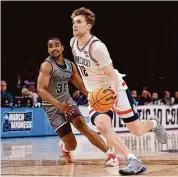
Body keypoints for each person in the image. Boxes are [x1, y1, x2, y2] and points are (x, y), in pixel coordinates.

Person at [70, 7, 168, 175]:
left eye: (79, 22)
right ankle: (132, 159)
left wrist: (113, 92)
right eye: (73, 22)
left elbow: (112, 74)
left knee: (136, 130)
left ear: (89, 26)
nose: (74, 25)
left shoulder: (97, 47)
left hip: (115, 89)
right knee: (101, 124)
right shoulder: (73, 43)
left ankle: (153, 123)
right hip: (96, 94)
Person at [37, 37, 119, 166]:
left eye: (57, 45)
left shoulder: (70, 65)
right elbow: (41, 90)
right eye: (51, 46)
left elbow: (81, 86)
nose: (54, 48)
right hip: (52, 107)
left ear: (62, 48)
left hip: (67, 102)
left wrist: (93, 96)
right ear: (48, 50)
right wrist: (59, 105)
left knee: (83, 126)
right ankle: (65, 148)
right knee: (72, 145)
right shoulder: (46, 66)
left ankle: (110, 154)